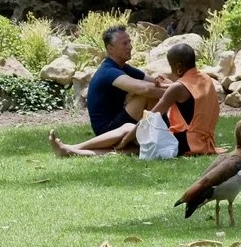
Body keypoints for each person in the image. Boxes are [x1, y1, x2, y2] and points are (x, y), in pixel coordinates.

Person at [50, 39, 223, 158]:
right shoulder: (205, 78)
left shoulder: (178, 88)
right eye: (125, 43)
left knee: (128, 130)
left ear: (178, 68)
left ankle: (75, 148)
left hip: (186, 144)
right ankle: (74, 151)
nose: (129, 45)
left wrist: (126, 138)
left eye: (171, 67)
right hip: (203, 143)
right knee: (134, 148)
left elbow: (150, 118)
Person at [49, 24, 169, 156]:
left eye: (129, 41)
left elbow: (155, 82)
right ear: (110, 49)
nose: (130, 46)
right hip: (107, 129)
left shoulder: (124, 68)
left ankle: (72, 151)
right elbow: (145, 89)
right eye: (124, 43)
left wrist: (179, 86)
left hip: (120, 122)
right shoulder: (109, 71)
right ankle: (75, 147)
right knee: (144, 99)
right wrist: (177, 93)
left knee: (141, 148)